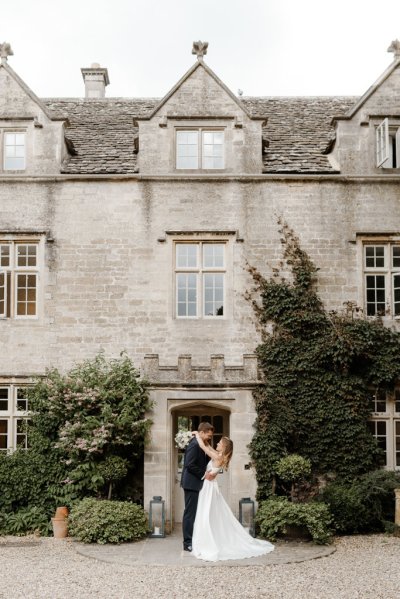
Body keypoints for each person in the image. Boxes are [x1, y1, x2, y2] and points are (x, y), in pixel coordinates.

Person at [191, 432, 274, 562]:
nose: (217, 443)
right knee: (207, 513)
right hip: (208, 486)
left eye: (219, 443)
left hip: (209, 488)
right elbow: (208, 446)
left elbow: (204, 448)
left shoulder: (219, 458)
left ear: (223, 447)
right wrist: (204, 438)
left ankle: (208, 541)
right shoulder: (219, 455)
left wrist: (197, 435)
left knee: (206, 513)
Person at [180, 421, 216, 552]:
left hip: (198, 484)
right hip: (191, 483)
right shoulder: (194, 445)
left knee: (196, 513)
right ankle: (187, 543)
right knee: (190, 513)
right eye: (208, 435)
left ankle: (195, 539)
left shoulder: (202, 444)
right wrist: (204, 474)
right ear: (201, 432)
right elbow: (189, 464)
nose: (210, 438)